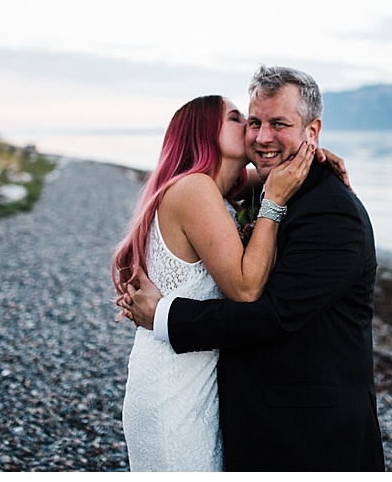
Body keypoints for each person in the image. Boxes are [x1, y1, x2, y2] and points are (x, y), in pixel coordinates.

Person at [124, 65, 385, 472]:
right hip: (219, 404)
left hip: (311, 434)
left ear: (311, 131)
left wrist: (163, 316)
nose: (261, 136)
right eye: (251, 121)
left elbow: (271, 313)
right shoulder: (242, 188)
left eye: (278, 124)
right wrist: (299, 157)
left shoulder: (332, 213)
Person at [112, 94, 319, 472]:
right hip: (171, 389)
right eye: (238, 118)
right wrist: (272, 201)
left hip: (195, 383)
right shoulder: (194, 190)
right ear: (205, 131)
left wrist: (317, 158)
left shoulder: (215, 191)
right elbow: (245, 289)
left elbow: (278, 172)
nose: (252, 126)